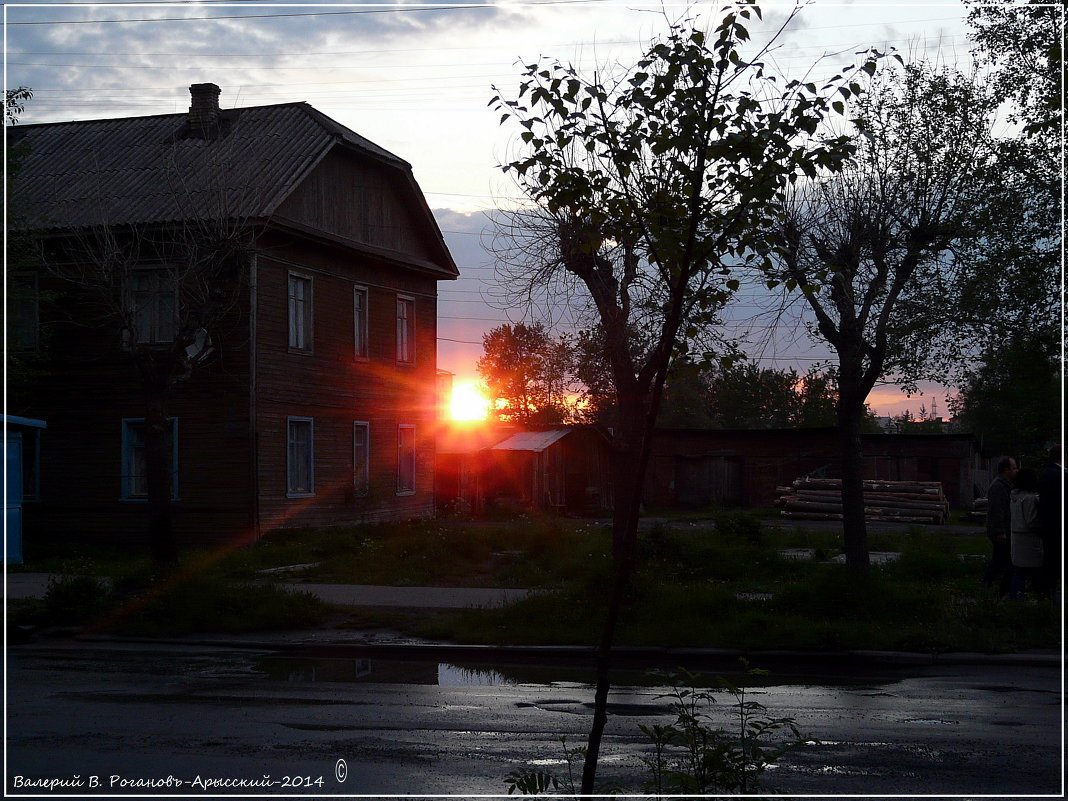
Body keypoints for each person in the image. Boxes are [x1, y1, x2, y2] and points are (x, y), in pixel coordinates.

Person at [984, 456, 1018, 596]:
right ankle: (989, 587)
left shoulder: (1005, 485)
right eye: (1014, 467)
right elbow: (997, 510)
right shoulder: (999, 486)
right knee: (1000, 561)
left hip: (1003, 530)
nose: (1017, 470)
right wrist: (1000, 531)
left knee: (1002, 561)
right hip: (1000, 532)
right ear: (1006, 470)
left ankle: (998, 589)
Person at [1009, 468, 1043, 599]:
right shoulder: (1029, 499)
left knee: (1019, 572)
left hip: (1017, 539)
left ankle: (1016, 599)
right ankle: (1039, 599)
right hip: (1029, 542)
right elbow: (1031, 521)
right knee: (1035, 572)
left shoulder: (1014, 498)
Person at [1037, 444, 1064, 596]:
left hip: (1047, 524)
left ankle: (1047, 591)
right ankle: (1050, 593)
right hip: (1057, 524)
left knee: (1050, 559)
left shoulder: (1045, 474)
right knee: (1055, 561)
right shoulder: (1059, 475)